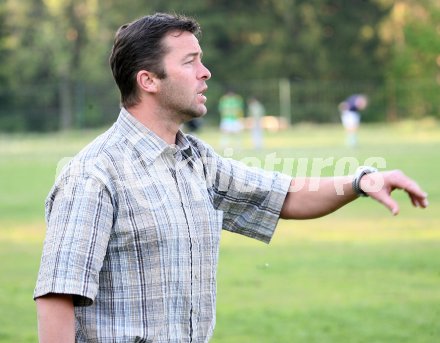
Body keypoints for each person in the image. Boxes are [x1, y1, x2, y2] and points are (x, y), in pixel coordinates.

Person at [34, 13, 428, 343]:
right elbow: (57, 296)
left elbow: (285, 196)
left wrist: (360, 182)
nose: (205, 72)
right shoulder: (94, 174)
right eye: (189, 62)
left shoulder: (195, 161)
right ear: (148, 80)